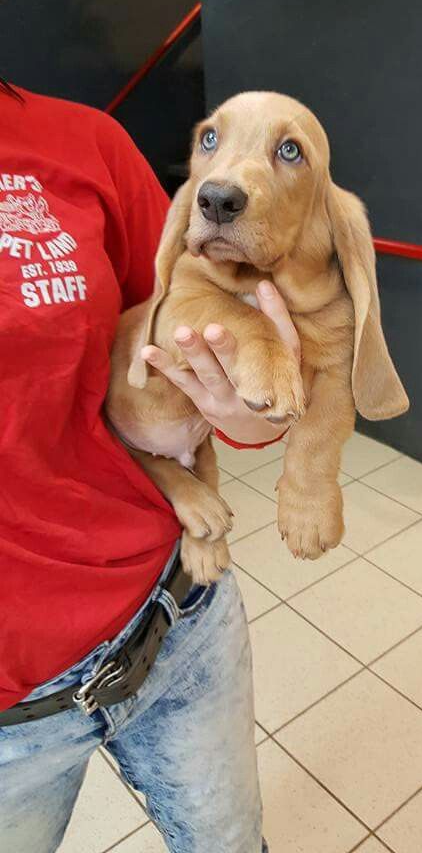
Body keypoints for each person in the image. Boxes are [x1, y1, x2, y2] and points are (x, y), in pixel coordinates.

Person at [0, 76, 300, 853]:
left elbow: (187, 327)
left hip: (175, 611)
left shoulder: (84, 142)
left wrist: (249, 419)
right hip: (12, 716)